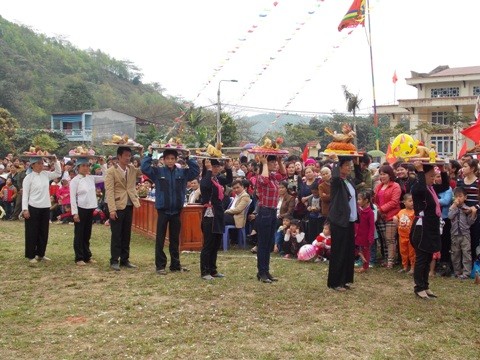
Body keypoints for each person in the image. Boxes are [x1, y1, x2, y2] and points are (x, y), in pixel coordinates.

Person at [141, 147, 199, 274]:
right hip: (163, 210)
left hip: (177, 210)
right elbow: (144, 168)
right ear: (164, 159)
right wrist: (149, 154)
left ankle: (175, 265)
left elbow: (195, 171)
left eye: (173, 159)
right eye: (168, 159)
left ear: (176, 159)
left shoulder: (182, 173)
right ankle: (160, 266)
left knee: (175, 239)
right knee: (160, 239)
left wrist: (189, 157)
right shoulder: (157, 171)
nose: (170, 161)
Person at [105, 146, 144, 271]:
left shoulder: (132, 169)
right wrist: (112, 209)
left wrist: (142, 154)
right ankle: (114, 260)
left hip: (129, 204)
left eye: (129, 155)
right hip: (117, 206)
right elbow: (109, 191)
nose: (128, 158)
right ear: (119, 157)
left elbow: (144, 170)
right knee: (116, 234)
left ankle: (125, 259)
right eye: (125, 155)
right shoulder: (111, 171)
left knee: (126, 233)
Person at [410, 161, 443, 299]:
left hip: (431, 226)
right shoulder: (418, 187)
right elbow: (421, 189)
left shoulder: (431, 188)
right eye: (430, 176)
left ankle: (425, 285)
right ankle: (418, 287)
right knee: (422, 258)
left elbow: (445, 185)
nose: (433, 179)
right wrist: (420, 171)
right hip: (421, 228)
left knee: (429, 256)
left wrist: (444, 170)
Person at [22, 156, 62, 263]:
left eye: (42, 163)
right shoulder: (28, 178)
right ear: (33, 165)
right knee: (32, 232)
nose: (41, 165)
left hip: (45, 207)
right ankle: (31, 255)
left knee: (43, 231)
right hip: (33, 207)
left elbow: (58, 173)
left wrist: (55, 161)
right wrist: (25, 209)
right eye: (39, 163)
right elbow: (25, 195)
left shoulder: (46, 174)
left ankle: (41, 254)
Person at [327, 156, 358, 291]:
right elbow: (334, 177)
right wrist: (335, 161)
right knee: (338, 251)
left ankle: (345, 279)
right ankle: (335, 282)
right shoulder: (336, 182)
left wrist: (356, 163)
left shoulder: (349, 180)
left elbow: (360, 179)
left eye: (349, 165)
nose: (349, 167)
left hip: (349, 219)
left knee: (348, 251)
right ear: (339, 168)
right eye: (346, 165)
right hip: (339, 220)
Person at [69, 157, 107, 266]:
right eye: (83, 166)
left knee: (87, 233)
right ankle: (79, 257)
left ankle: (87, 255)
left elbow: (105, 177)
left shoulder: (91, 178)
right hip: (80, 209)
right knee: (79, 233)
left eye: (87, 165)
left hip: (90, 209)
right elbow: (72, 197)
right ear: (78, 167)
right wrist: (74, 212)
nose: (86, 168)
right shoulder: (75, 180)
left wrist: (102, 164)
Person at [199, 158, 232, 280]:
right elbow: (206, 185)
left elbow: (229, 180)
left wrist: (228, 168)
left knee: (216, 243)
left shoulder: (217, 179)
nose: (216, 169)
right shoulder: (206, 179)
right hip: (209, 214)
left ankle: (213, 269)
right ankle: (204, 271)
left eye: (218, 166)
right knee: (208, 243)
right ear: (208, 167)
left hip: (218, 213)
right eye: (214, 167)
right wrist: (207, 170)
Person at [255, 155, 286, 283]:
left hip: (272, 211)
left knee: (268, 243)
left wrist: (279, 160)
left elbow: (284, 175)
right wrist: (264, 163)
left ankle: (266, 270)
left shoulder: (274, 177)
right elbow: (264, 180)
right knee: (263, 243)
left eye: (275, 162)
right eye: (272, 162)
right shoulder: (261, 177)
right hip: (264, 211)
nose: (275, 164)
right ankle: (261, 272)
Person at [373, 164, 401, 268]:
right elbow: (375, 200)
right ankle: (386, 258)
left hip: (391, 215)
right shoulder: (378, 186)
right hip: (380, 216)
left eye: (384, 174)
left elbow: (394, 202)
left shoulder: (395, 186)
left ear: (390, 175)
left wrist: (381, 209)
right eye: (381, 174)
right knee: (384, 239)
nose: (382, 176)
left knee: (390, 239)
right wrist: (377, 209)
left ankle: (391, 261)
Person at [448, 186, 477, 279]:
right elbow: (449, 216)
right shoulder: (453, 207)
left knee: (466, 253)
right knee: (455, 253)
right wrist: (454, 206)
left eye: (460, 196)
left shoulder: (467, 209)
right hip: (454, 234)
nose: (458, 198)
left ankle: (466, 273)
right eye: (456, 196)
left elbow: (470, 222)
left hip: (465, 234)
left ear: (465, 197)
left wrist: (472, 213)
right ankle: (457, 271)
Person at [393, 193, 416, 274]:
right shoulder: (401, 211)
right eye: (410, 201)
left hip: (411, 237)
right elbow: (396, 218)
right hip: (402, 236)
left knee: (412, 253)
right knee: (403, 252)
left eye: (413, 201)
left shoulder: (414, 212)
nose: (412, 202)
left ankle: (413, 268)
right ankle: (405, 266)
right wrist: (395, 218)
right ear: (404, 202)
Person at [354, 190, 375, 273]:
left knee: (366, 251)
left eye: (359, 199)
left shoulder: (370, 213)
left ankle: (365, 267)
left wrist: (370, 237)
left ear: (366, 201)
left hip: (365, 236)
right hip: (357, 234)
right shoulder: (358, 211)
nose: (358, 201)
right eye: (357, 199)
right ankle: (361, 258)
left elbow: (372, 226)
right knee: (355, 249)